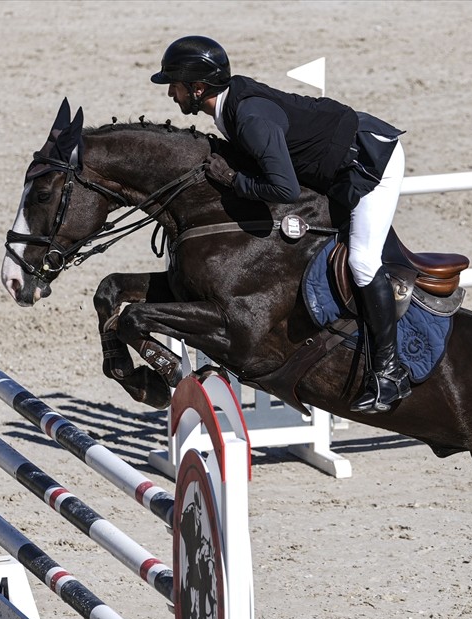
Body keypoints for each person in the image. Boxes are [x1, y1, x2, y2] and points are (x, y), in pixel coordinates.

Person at [151, 35, 411, 414]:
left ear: (198, 89)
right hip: (336, 162)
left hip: (371, 163)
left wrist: (233, 180)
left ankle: (389, 371)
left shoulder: (250, 119)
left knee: (362, 261)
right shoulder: (230, 108)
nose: (170, 94)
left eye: (174, 86)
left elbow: (284, 189)